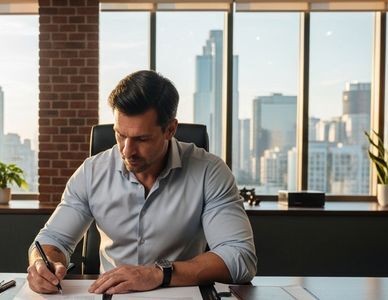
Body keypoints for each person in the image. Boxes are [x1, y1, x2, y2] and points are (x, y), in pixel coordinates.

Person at [27, 70, 256, 295]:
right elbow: (53, 240)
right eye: (120, 135)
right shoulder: (91, 172)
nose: (127, 151)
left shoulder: (209, 171)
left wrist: (158, 274)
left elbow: (240, 257)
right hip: (110, 295)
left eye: (141, 139)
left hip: (180, 294)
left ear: (170, 130)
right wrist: (43, 264)